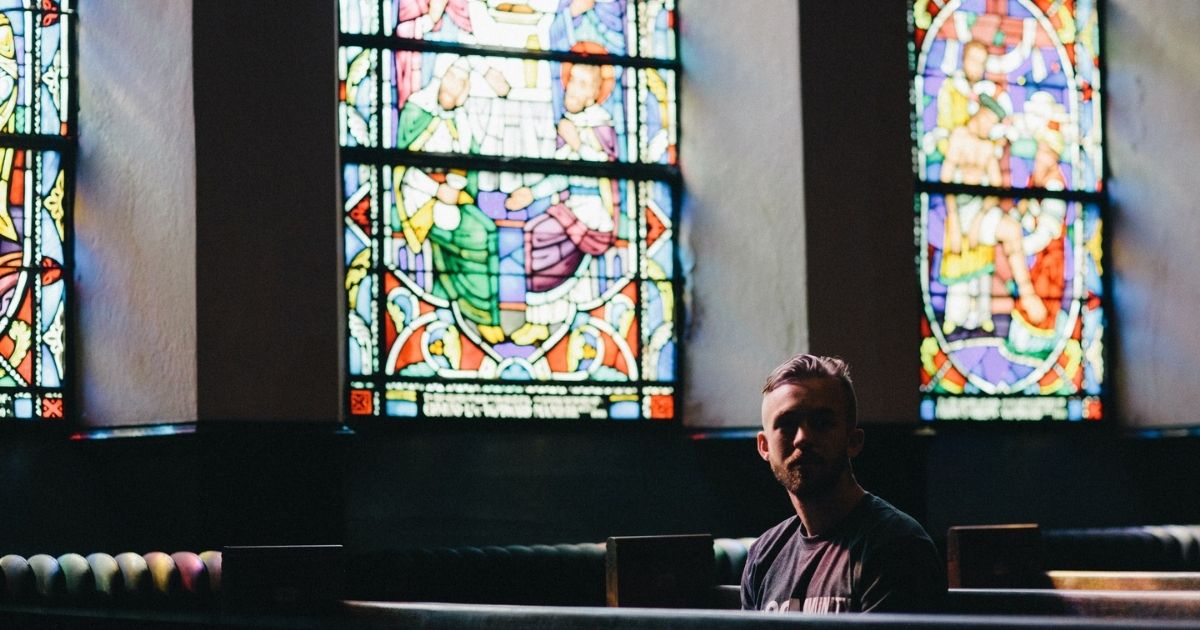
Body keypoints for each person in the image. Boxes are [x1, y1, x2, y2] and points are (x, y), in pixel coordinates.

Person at [742, 355, 945, 613]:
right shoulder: (764, 555)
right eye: (787, 424)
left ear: (854, 441)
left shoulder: (897, 546)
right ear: (764, 446)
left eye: (821, 423)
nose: (802, 438)